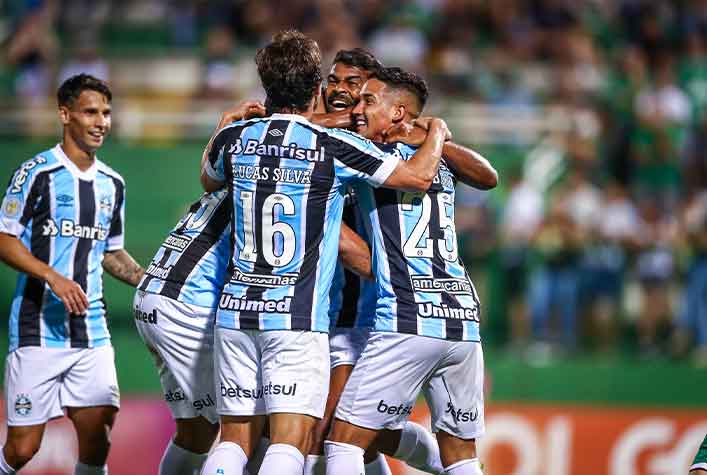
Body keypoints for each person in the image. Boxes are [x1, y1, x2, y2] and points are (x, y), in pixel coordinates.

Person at [198, 30, 450, 475]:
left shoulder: (233, 138)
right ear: (317, 86)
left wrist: (229, 121)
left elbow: (209, 178)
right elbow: (417, 178)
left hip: (235, 311)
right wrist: (437, 132)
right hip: (297, 316)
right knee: (294, 443)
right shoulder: (335, 147)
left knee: (236, 440)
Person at [325, 67, 497, 475]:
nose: (358, 111)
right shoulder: (437, 155)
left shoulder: (372, 155)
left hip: (407, 316)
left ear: (399, 111)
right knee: (461, 457)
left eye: (369, 101)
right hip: (461, 321)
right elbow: (487, 177)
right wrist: (434, 133)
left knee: (343, 444)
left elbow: (487, 175)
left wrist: (428, 133)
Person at [0, 74, 144, 475]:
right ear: (65, 115)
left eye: (107, 113)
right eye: (90, 112)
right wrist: (52, 276)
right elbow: (4, 239)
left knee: (98, 435)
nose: (101, 122)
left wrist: (148, 280)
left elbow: (109, 252)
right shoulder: (37, 173)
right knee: (22, 450)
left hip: (91, 332)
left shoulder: (113, 184)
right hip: (37, 330)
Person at [134, 100, 267, 475]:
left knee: (197, 431)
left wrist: (223, 126)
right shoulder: (267, 186)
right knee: (248, 432)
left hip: (155, 296)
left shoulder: (230, 172)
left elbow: (210, 166)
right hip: (186, 303)